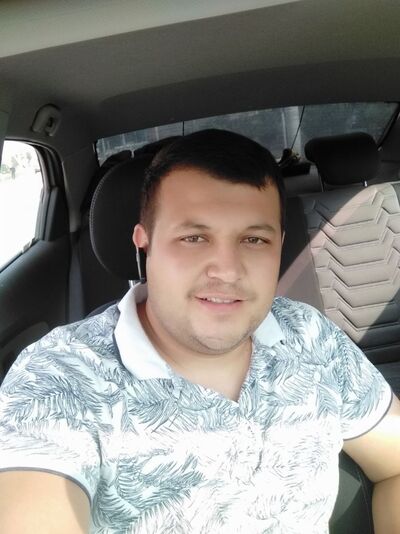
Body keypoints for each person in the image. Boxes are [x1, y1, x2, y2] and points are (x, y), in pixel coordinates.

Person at [0, 129, 399, 534]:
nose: (227, 270)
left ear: (280, 244)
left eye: (254, 239)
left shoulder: (310, 334)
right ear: (144, 243)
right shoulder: (61, 378)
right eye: (193, 238)